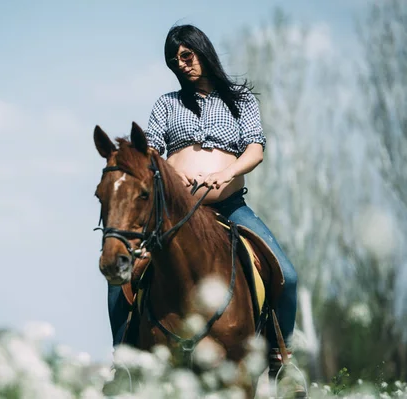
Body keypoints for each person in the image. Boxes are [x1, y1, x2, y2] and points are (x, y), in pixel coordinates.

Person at [107, 24, 299, 379]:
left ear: (202, 50)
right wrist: (174, 179)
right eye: (173, 60)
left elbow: (255, 149)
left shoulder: (241, 100)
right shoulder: (166, 104)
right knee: (123, 276)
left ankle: (282, 360)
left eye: (186, 55)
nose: (181, 64)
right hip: (174, 214)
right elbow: (152, 153)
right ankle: (124, 366)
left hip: (229, 207)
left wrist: (224, 174)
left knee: (287, 273)